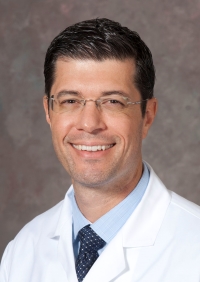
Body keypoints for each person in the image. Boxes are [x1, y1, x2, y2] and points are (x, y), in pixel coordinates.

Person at [1, 18, 200, 282]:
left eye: (113, 101)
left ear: (148, 116)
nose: (89, 124)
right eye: (70, 101)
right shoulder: (23, 251)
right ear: (49, 112)